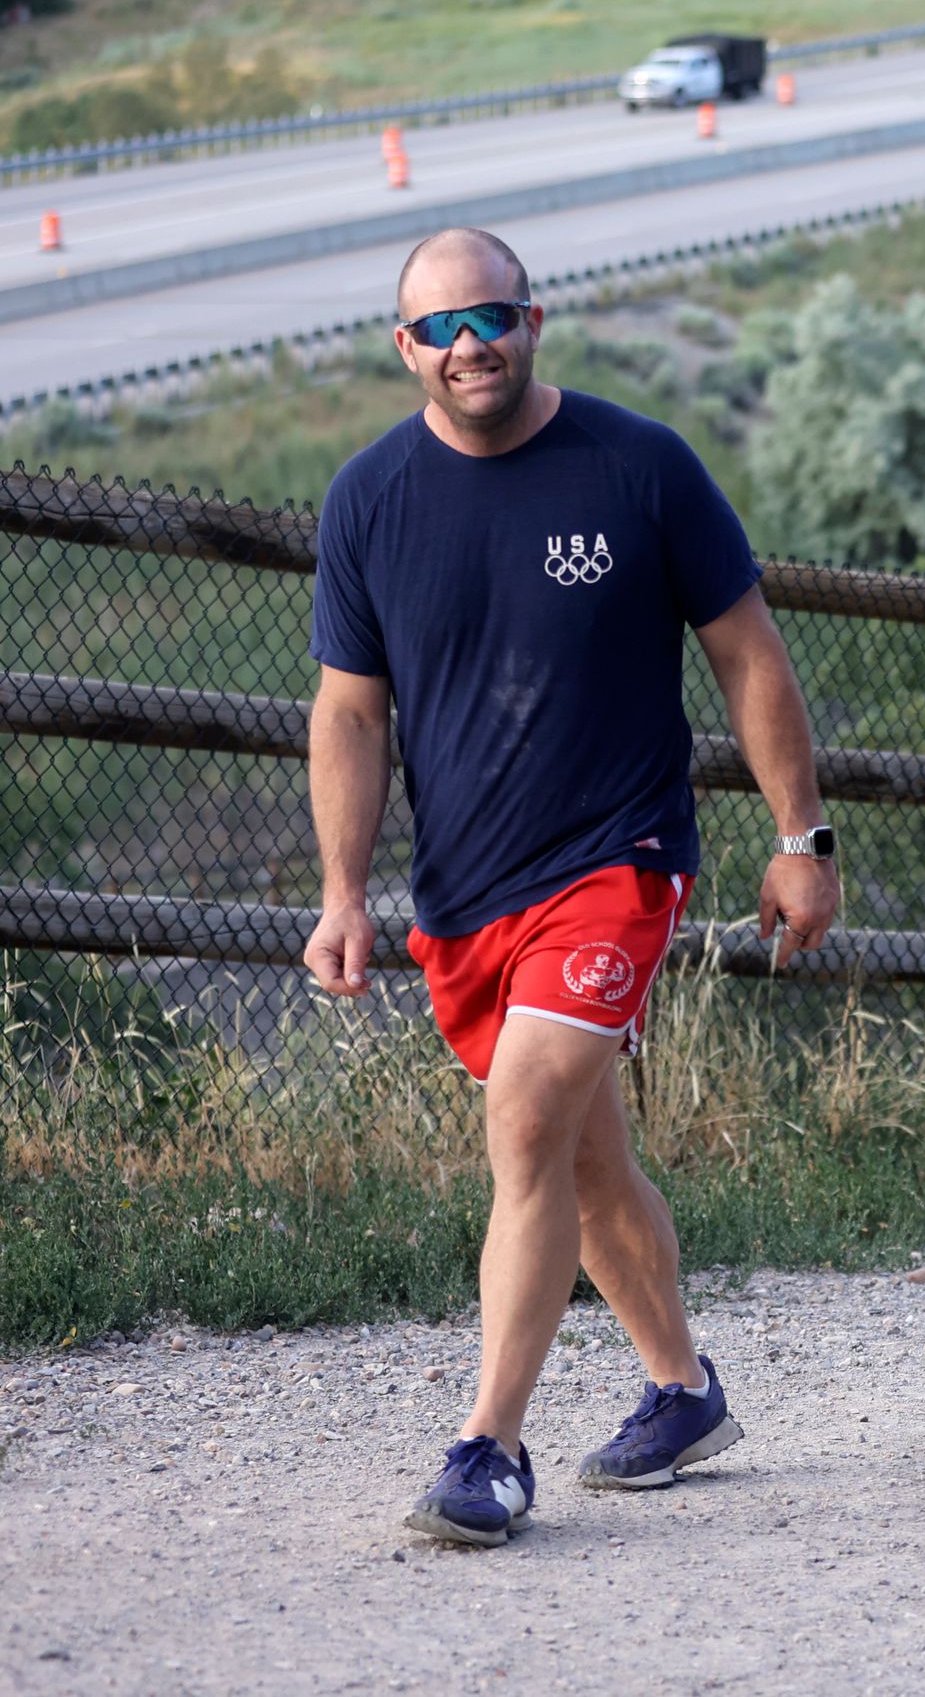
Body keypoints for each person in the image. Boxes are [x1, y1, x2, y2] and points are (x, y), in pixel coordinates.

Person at [302, 227, 843, 1549]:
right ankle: (681, 1388)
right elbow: (351, 717)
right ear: (405, 348)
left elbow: (750, 656)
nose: (469, 343)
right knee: (589, 1166)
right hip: (465, 895)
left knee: (533, 1122)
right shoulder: (368, 501)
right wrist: (340, 889)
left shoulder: (637, 465)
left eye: (491, 316)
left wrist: (801, 837)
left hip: (617, 858)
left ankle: (487, 1447)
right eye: (440, 328)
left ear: (534, 318)